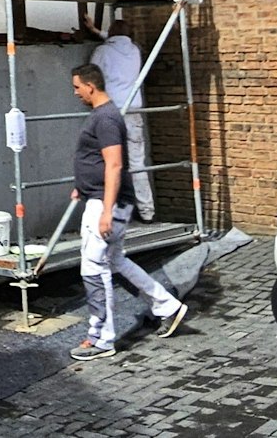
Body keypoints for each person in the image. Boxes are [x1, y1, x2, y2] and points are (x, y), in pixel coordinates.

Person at [68, 61, 185, 360]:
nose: (76, 93)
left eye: (77, 87)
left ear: (91, 86)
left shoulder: (105, 119)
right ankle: (168, 307)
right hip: (99, 198)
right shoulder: (103, 115)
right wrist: (83, 184)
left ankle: (102, 339)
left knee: (94, 269)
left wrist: (106, 210)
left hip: (106, 204)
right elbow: (99, 161)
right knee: (116, 260)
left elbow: (115, 164)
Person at [84, 14, 155, 220]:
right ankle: (147, 211)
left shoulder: (102, 51)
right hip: (134, 110)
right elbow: (118, 39)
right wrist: (99, 32)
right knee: (137, 162)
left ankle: (109, 211)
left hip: (111, 112)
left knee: (109, 162)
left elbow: (92, 79)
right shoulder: (134, 51)